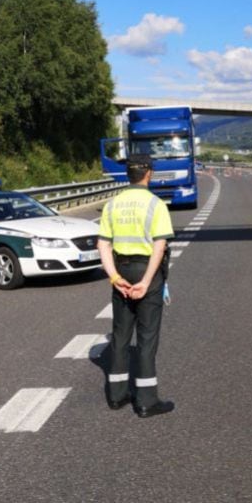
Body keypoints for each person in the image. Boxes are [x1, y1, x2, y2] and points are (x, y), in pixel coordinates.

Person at [98, 153, 175, 418]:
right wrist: (146, 281)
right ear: (149, 173)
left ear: (127, 174)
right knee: (146, 338)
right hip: (146, 272)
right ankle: (146, 401)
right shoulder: (156, 205)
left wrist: (115, 278)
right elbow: (159, 246)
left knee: (120, 336)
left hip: (120, 269)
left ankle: (117, 396)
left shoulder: (112, 204)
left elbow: (103, 245)